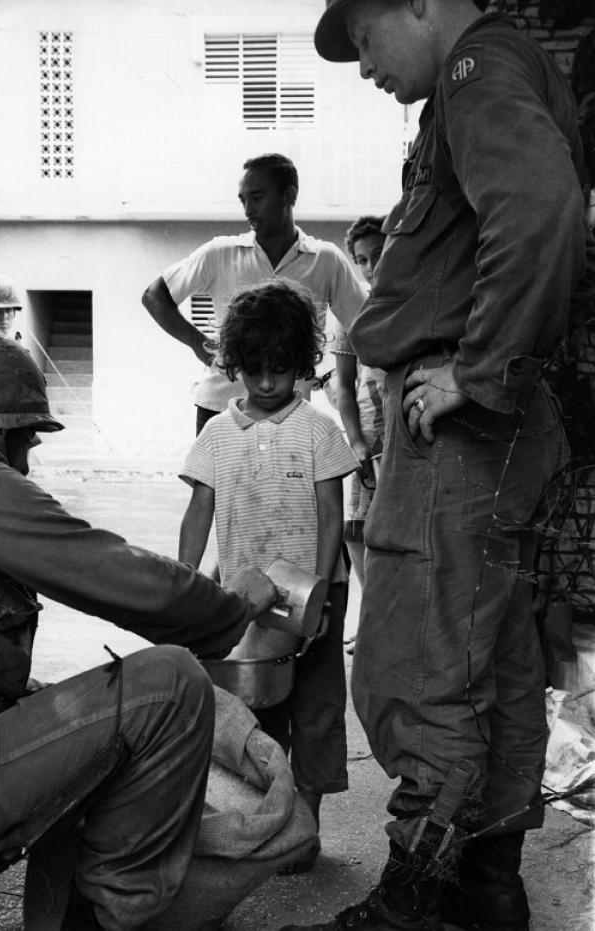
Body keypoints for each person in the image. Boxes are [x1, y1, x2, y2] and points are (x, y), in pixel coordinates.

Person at [279, 1, 590, 930]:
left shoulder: (474, 72)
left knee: (420, 666)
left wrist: (479, 368)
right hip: (501, 433)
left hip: (462, 431)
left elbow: (538, 210)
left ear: (417, 2)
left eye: (365, 37)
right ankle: (484, 886)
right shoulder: (500, 72)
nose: (362, 64)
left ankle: (410, 903)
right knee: (489, 667)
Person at [0, 324, 279, 931]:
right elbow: (124, 577)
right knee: (171, 684)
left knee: (66, 709)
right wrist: (233, 607)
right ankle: (106, 918)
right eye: (27, 440)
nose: (28, 458)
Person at [178, 279, 357, 872]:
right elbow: (198, 510)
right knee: (254, 716)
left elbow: (332, 516)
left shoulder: (318, 430)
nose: (266, 382)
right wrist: (182, 587)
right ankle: (268, 825)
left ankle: (304, 828)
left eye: (280, 370)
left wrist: (327, 594)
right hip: (246, 600)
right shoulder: (216, 435)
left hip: (315, 593)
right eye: (253, 369)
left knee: (317, 707)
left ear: (303, 365)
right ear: (236, 365)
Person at [142, 153, 366, 434]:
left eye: (257, 197)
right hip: (221, 408)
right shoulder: (220, 253)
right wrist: (202, 346)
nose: (248, 209)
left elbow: (364, 324)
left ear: (289, 195)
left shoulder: (326, 260)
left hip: (291, 414)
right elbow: (154, 296)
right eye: (243, 199)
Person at [333, 216, 386, 653]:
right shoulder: (352, 311)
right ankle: (370, 617)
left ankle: (387, 621)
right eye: (362, 259)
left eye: (378, 254)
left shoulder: (413, 304)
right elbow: (345, 388)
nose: (371, 267)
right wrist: (355, 440)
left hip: (406, 431)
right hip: (367, 431)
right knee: (355, 530)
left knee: (391, 530)